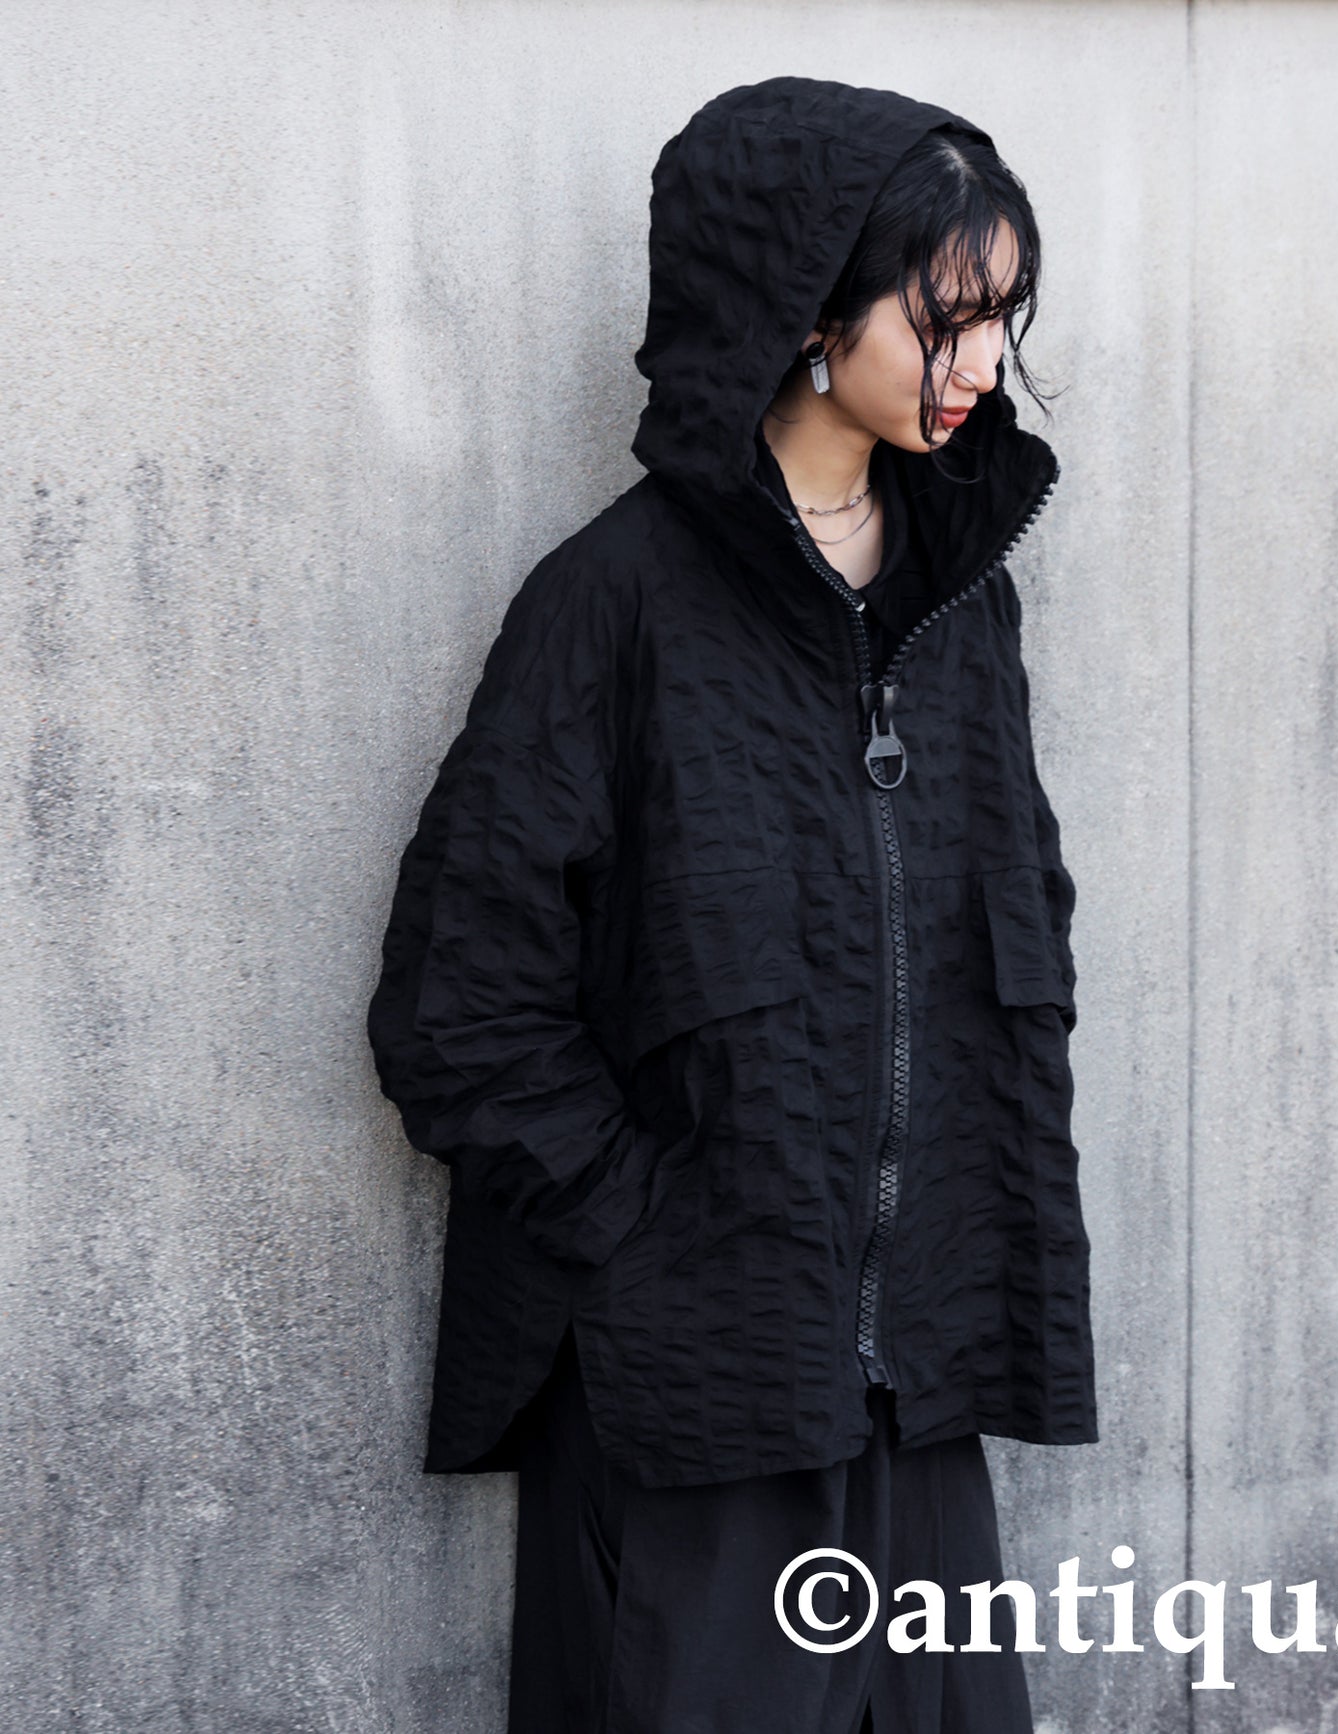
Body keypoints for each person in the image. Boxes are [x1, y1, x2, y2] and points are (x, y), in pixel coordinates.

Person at [367, 76, 1097, 1734]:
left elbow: (1011, 942)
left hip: (921, 1381)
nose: (983, 363)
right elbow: (456, 1009)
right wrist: (649, 1232)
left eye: (1002, 318)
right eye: (946, 318)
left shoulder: (960, 607)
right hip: (694, 1393)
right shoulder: (610, 604)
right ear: (810, 313)